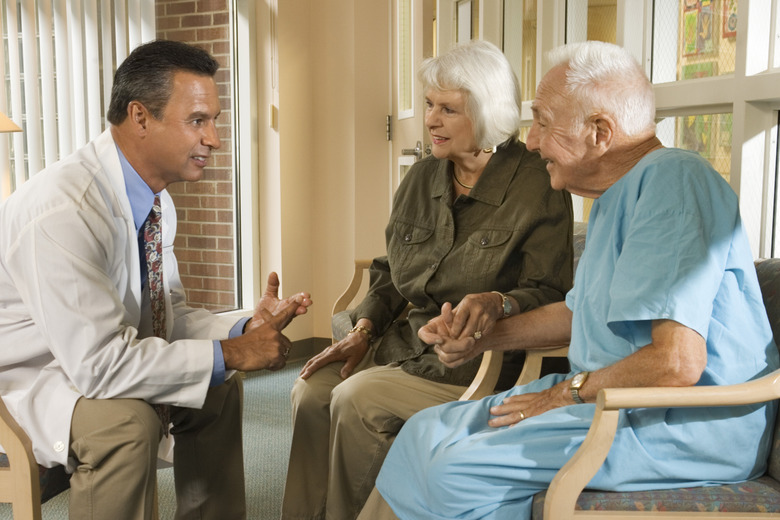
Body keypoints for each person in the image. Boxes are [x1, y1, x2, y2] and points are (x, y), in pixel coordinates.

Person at [358, 41, 780, 520]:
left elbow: (677, 362)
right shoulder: (613, 199)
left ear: (599, 132)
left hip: (679, 426)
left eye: (542, 121)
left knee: (451, 470)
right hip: (612, 405)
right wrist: (480, 336)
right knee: (423, 433)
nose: (531, 142)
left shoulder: (675, 183)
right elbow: (579, 314)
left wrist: (563, 393)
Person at [0, 39, 312, 520]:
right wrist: (231, 352)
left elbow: (167, 316)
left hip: (87, 358)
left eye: (214, 121)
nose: (214, 138)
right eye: (198, 121)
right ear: (140, 117)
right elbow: (100, 366)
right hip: (32, 378)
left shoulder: (154, 200)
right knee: (127, 424)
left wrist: (242, 330)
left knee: (217, 387)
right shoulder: (63, 210)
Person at [281, 40, 573, 520]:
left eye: (448, 109)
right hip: (399, 347)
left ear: (487, 112)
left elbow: (549, 290)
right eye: (428, 106)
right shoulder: (420, 177)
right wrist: (362, 330)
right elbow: (392, 274)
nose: (431, 120)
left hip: (477, 364)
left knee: (356, 398)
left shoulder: (538, 184)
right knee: (310, 390)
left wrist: (498, 301)